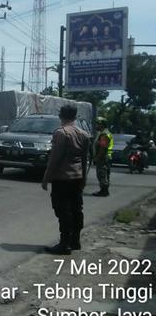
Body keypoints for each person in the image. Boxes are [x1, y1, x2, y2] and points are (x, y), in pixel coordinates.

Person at [41, 105, 90, 255]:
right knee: (76, 209)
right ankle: (75, 240)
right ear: (75, 117)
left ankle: (65, 244)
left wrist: (46, 178)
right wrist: (84, 178)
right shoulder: (84, 134)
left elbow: (54, 159)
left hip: (62, 178)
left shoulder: (61, 133)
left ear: (61, 116)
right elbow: (85, 159)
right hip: (77, 177)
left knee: (63, 210)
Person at [92, 117, 113, 197]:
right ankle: (104, 190)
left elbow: (103, 148)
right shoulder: (103, 133)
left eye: (98, 124)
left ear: (102, 125)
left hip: (103, 157)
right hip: (105, 157)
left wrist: (97, 157)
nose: (96, 125)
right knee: (104, 173)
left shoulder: (104, 134)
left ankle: (104, 191)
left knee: (102, 174)